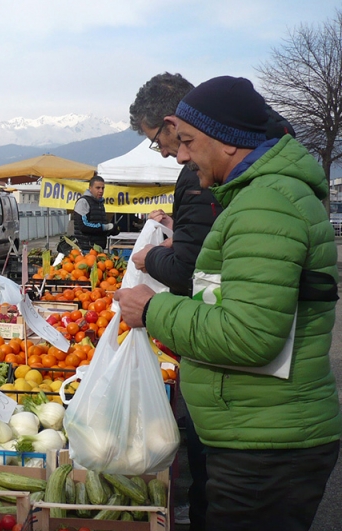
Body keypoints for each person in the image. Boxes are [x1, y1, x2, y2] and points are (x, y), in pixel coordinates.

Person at [115, 76, 341, 531]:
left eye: (188, 141)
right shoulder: (261, 197)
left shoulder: (265, 204)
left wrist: (153, 310)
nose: (180, 155)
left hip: (266, 446)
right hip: (258, 434)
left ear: (230, 144)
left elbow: (249, 334)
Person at [128, 72, 222, 530]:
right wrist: (176, 229)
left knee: (212, 474)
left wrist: (149, 259)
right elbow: (202, 245)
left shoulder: (198, 175)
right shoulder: (207, 178)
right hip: (214, 356)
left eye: (158, 140)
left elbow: (191, 268)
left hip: (216, 358)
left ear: (171, 123)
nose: (168, 151)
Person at [71, 175, 119, 251]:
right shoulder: (83, 202)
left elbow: (97, 226)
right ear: (90, 188)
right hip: (86, 248)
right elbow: (83, 226)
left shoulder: (100, 203)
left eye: (103, 188)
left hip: (98, 248)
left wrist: (110, 231)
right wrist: (106, 227)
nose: (101, 191)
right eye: (98, 188)